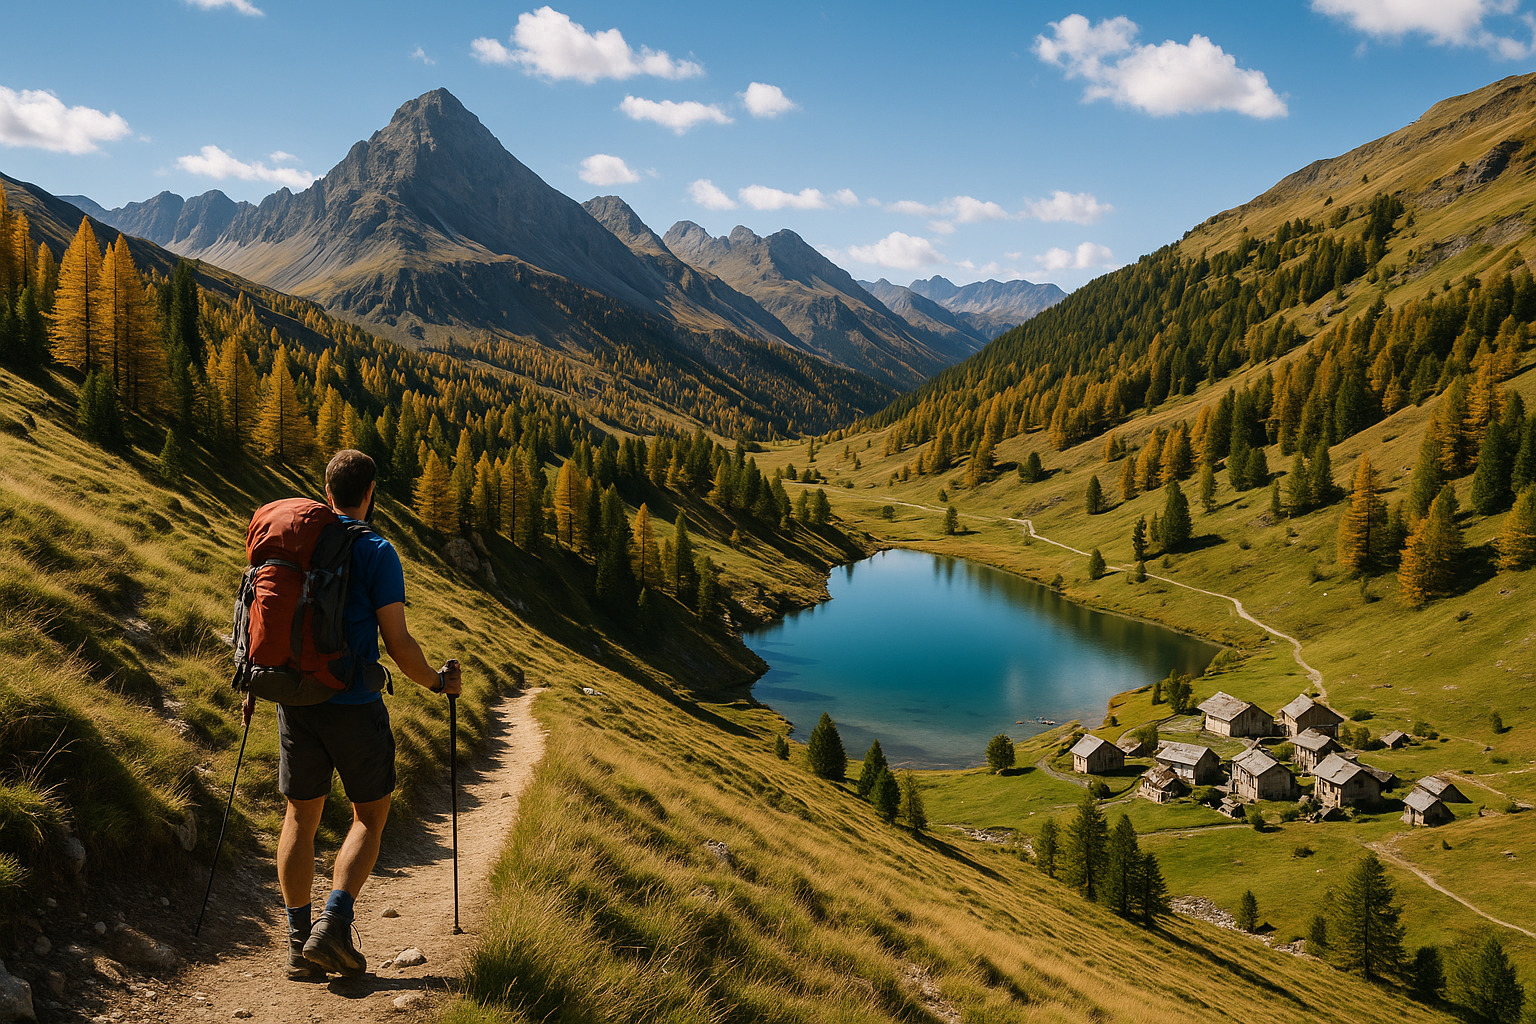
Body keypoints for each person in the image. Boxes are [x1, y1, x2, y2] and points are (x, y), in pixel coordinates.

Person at [277, 449, 462, 978]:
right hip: (354, 704)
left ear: (327, 491)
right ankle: (333, 926)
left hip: (296, 698)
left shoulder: (298, 539)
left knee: (300, 816)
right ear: (371, 493)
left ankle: (298, 942)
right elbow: (398, 644)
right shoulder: (376, 550)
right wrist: (437, 682)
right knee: (369, 815)